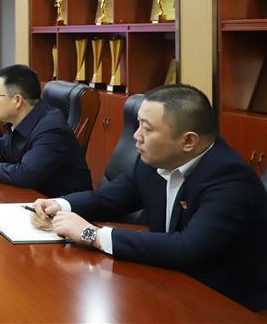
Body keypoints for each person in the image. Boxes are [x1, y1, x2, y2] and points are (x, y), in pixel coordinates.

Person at [29, 84, 267, 312]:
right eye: (138, 125)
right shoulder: (156, 161)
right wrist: (59, 206)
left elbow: (188, 248)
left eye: (147, 129)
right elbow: (107, 199)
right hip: (167, 283)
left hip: (223, 303)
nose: (136, 136)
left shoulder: (230, 180)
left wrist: (92, 235)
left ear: (189, 141)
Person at [0, 64, 92, 196]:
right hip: (31, 198)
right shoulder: (19, 121)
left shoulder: (52, 129)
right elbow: (1, 146)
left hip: (60, 204)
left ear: (17, 100)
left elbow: (26, 175)